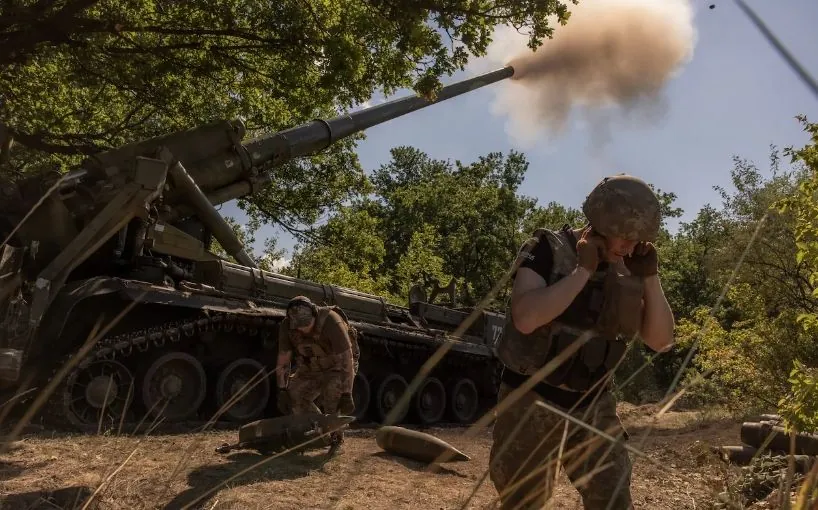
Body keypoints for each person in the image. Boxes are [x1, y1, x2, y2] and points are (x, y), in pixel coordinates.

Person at [489, 174, 676, 510]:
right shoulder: (547, 248)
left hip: (593, 407)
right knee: (523, 502)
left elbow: (661, 342)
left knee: (613, 500)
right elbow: (526, 317)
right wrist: (582, 273)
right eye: (626, 237)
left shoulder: (629, 269)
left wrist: (650, 277)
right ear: (602, 221)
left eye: (639, 241)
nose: (631, 248)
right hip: (533, 400)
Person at [275, 296, 357, 448]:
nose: (302, 329)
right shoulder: (287, 326)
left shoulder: (331, 321)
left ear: (314, 314)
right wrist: (282, 389)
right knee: (294, 394)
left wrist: (347, 393)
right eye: (298, 326)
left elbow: (347, 359)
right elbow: (283, 360)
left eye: (306, 324)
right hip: (311, 368)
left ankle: (335, 437)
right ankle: (317, 429)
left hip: (337, 367)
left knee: (332, 395)